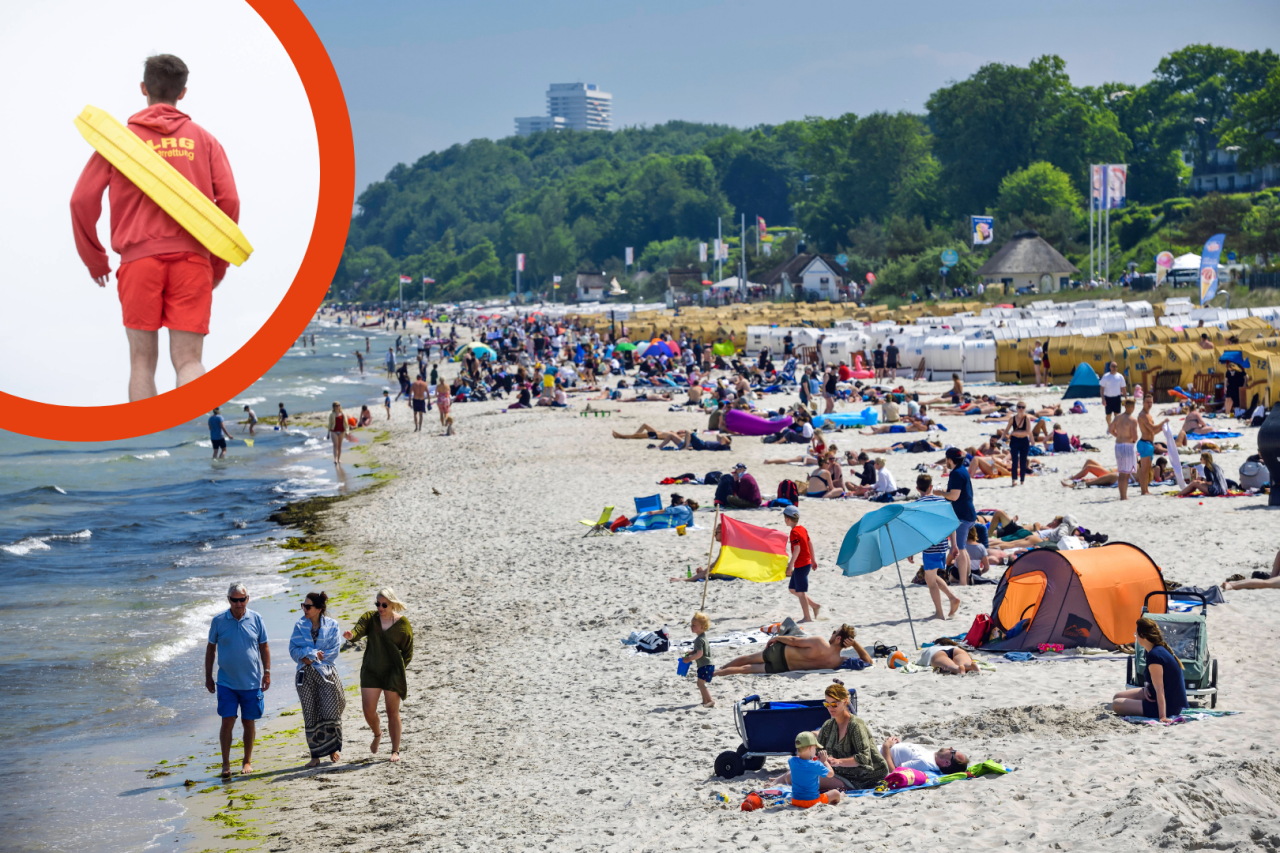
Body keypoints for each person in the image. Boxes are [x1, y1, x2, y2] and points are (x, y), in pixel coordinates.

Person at [71, 54, 240, 402]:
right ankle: (194, 441)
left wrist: (95, 260)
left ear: (143, 89)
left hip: (138, 262)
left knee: (142, 363)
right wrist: (217, 264)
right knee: (189, 360)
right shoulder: (205, 141)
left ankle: (150, 446)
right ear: (183, 93)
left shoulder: (118, 142)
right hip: (193, 261)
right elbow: (230, 202)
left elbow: (81, 201)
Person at [205, 583, 270, 779]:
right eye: (235, 600)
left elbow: (264, 647)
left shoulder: (257, 619)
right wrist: (208, 676)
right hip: (226, 682)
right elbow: (210, 649)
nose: (239, 603)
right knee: (227, 721)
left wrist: (267, 672)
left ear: (247, 599)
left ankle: (246, 761)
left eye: (242, 599)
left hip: (251, 682)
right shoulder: (218, 621)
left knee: (248, 722)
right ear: (229, 600)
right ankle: (225, 764)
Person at [342, 588, 414, 762]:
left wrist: (399, 669)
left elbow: (408, 651)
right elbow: (358, 630)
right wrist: (351, 636)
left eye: (384, 604)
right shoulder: (370, 618)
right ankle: (377, 734)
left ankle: (395, 751)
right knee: (368, 711)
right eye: (377, 604)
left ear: (392, 604)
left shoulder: (403, 625)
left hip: (392, 674)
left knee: (392, 712)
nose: (380, 608)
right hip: (371, 671)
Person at [289, 591, 344, 767]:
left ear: (319, 609)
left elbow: (334, 651)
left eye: (308, 606)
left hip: (326, 672)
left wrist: (312, 658)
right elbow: (293, 649)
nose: (304, 609)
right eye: (303, 605)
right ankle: (315, 755)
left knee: (332, 709)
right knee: (310, 713)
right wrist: (309, 655)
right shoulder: (299, 626)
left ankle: (332, 748)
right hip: (305, 675)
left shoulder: (333, 625)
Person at [1110, 617, 1187, 722]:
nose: (1135, 636)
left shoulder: (1154, 656)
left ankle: (1157, 711)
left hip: (1168, 706)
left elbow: (1160, 689)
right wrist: (1147, 686)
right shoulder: (1153, 650)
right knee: (1117, 696)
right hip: (1155, 695)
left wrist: (1162, 717)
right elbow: (1155, 680)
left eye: (1136, 634)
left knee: (1117, 704)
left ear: (1143, 636)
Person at [815, 682, 889, 790]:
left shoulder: (856, 725)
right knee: (796, 772)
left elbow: (864, 758)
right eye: (827, 704)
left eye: (834, 704)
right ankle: (779, 784)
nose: (830, 707)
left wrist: (838, 762)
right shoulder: (828, 725)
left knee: (806, 779)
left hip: (866, 777)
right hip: (838, 772)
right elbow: (818, 750)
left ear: (845, 702)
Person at [718, 624, 871, 675]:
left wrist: (777, 638)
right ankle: (718, 673)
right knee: (745, 669)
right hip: (783, 667)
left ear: (838, 639)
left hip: (780, 653)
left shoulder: (820, 642)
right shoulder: (837, 662)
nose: (831, 634)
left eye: (834, 632)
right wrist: (855, 644)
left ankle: (718, 670)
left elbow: (794, 640)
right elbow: (867, 662)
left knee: (746, 659)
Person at [908, 475, 961, 619]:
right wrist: (954, 545)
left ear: (918, 488)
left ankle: (939, 613)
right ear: (931, 487)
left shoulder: (918, 504)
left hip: (930, 546)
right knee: (931, 575)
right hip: (943, 544)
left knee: (930, 581)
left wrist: (911, 549)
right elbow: (952, 523)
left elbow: (914, 529)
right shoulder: (942, 501)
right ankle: (952, 598)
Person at [771, 731, 844, 807]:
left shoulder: (792, 761)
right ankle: (838, 798)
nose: (815, 750)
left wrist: (812, 758)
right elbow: (831, 774)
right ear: (810, 748)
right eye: (815, 748)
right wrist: (825, 761)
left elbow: (802, 760)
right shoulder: (816, 765)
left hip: (795, 801)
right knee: (835, 793)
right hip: (812, 801)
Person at [942, 448, 976, 586]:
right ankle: (967, 578)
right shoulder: (962, 470)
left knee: (960, 549)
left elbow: (954, 496)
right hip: (969, 513)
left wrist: (940, 493)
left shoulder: (956, 473)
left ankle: (964, 582)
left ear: (950, 460)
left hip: (962, 515)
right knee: (963, 548)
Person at [782, 505, 822, 622]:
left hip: (801, 565)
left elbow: (797, 549)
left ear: (788, 519)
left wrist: (790, 565)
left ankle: (807, 617)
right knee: (792, 588)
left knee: (800, 591)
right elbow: (810, 544)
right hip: (806, 563)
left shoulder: (794, 532)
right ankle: (814, 605)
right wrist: (813, 560)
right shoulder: (802, 529)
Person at [680, 612, 715, 708]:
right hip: (707, 665)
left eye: (694, 625)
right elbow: (699, 651)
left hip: (705, 665)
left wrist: (689, 659)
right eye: (691, 625)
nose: (692, 627)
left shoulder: (699, 640)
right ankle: (705, 701)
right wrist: (692, 652)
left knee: (700, 684)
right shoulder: (703, 637)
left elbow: (700, 654)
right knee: (701, 683)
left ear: (702, 627)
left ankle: (710, 700)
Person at [1136, 395, 1169, 496]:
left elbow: (1154, 432)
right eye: (1147, 402)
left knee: (1147, 469)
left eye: (1151, 402)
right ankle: (1143, 491)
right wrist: (1163, 422)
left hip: (1149, 444)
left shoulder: (1148, 415)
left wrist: (1163, 426)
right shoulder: (1142, 415)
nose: (1149, 404)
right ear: (1143, 402)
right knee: (1144, 469)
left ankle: (1146, 490)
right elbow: (1153, 429)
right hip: (1144, 444)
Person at [880, 737, 968, 774]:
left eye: (953, 751)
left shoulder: (925, 763)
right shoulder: (932, 755)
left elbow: (893, 772)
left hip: (873, 758)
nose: (951, 747)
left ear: (947, 763)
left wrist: (886, 747)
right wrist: (896, 743)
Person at [1108, 397, 1139, 500]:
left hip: (1118, 446)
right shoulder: (1132, 420)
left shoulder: (1117, 417)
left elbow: (1111, 430)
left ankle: (1122, 495)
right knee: (1126, 474)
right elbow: (1135, 437)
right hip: (1127, 446)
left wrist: (1119, 436)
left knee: (1121, 472)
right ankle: (1124, 496)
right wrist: (1132, 439)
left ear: (1125, 406)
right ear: (1133, 407)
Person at [1005, 401, 1032, 486]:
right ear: (1016, 408)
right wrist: (1001, 439)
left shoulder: (1027, 418)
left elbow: (1027, 432)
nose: (1021, 409)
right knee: (1015, 461)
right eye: (1019, 407)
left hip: (1024, 441)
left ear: (1025, 409)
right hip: (1014, 441)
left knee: (1023, 461)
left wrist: (1014, 433)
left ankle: (1022, 480)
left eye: (1023, 407)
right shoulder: (1012, 419)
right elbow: (1006, 430)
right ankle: (1014, 480)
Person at [1099, 362, 1127, 427]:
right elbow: (1101, 389)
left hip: (1117, 398)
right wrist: (1103, 398)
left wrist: (1126, 398)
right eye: (1113, 366)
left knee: (1117, 415)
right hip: (1108, 398)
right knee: (1108, 415)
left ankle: (1115, 427)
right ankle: (1109, 426)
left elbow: (1123, 388)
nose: (1114, 368)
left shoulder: (1120, 376)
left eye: (1115, 366)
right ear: (1110, 367)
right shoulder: (1105, 376)